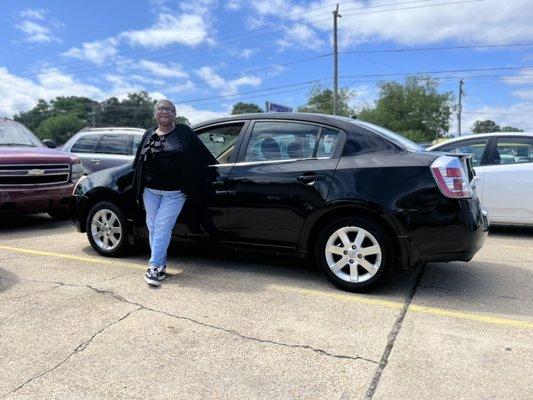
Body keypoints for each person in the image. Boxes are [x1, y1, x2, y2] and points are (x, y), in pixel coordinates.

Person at [132, 99, 216, 286]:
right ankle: (161, 265)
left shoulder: (184, 132)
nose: (165, 112)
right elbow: (139, 162)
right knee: (153, 226)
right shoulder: (148, 134)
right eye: (161, 108)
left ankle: (153, 267)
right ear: (155, 112)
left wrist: (206, 174)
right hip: (150, 191)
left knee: (162, 226)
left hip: (176, 192)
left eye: (170, 109)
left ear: (175, 114)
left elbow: (202, 155)